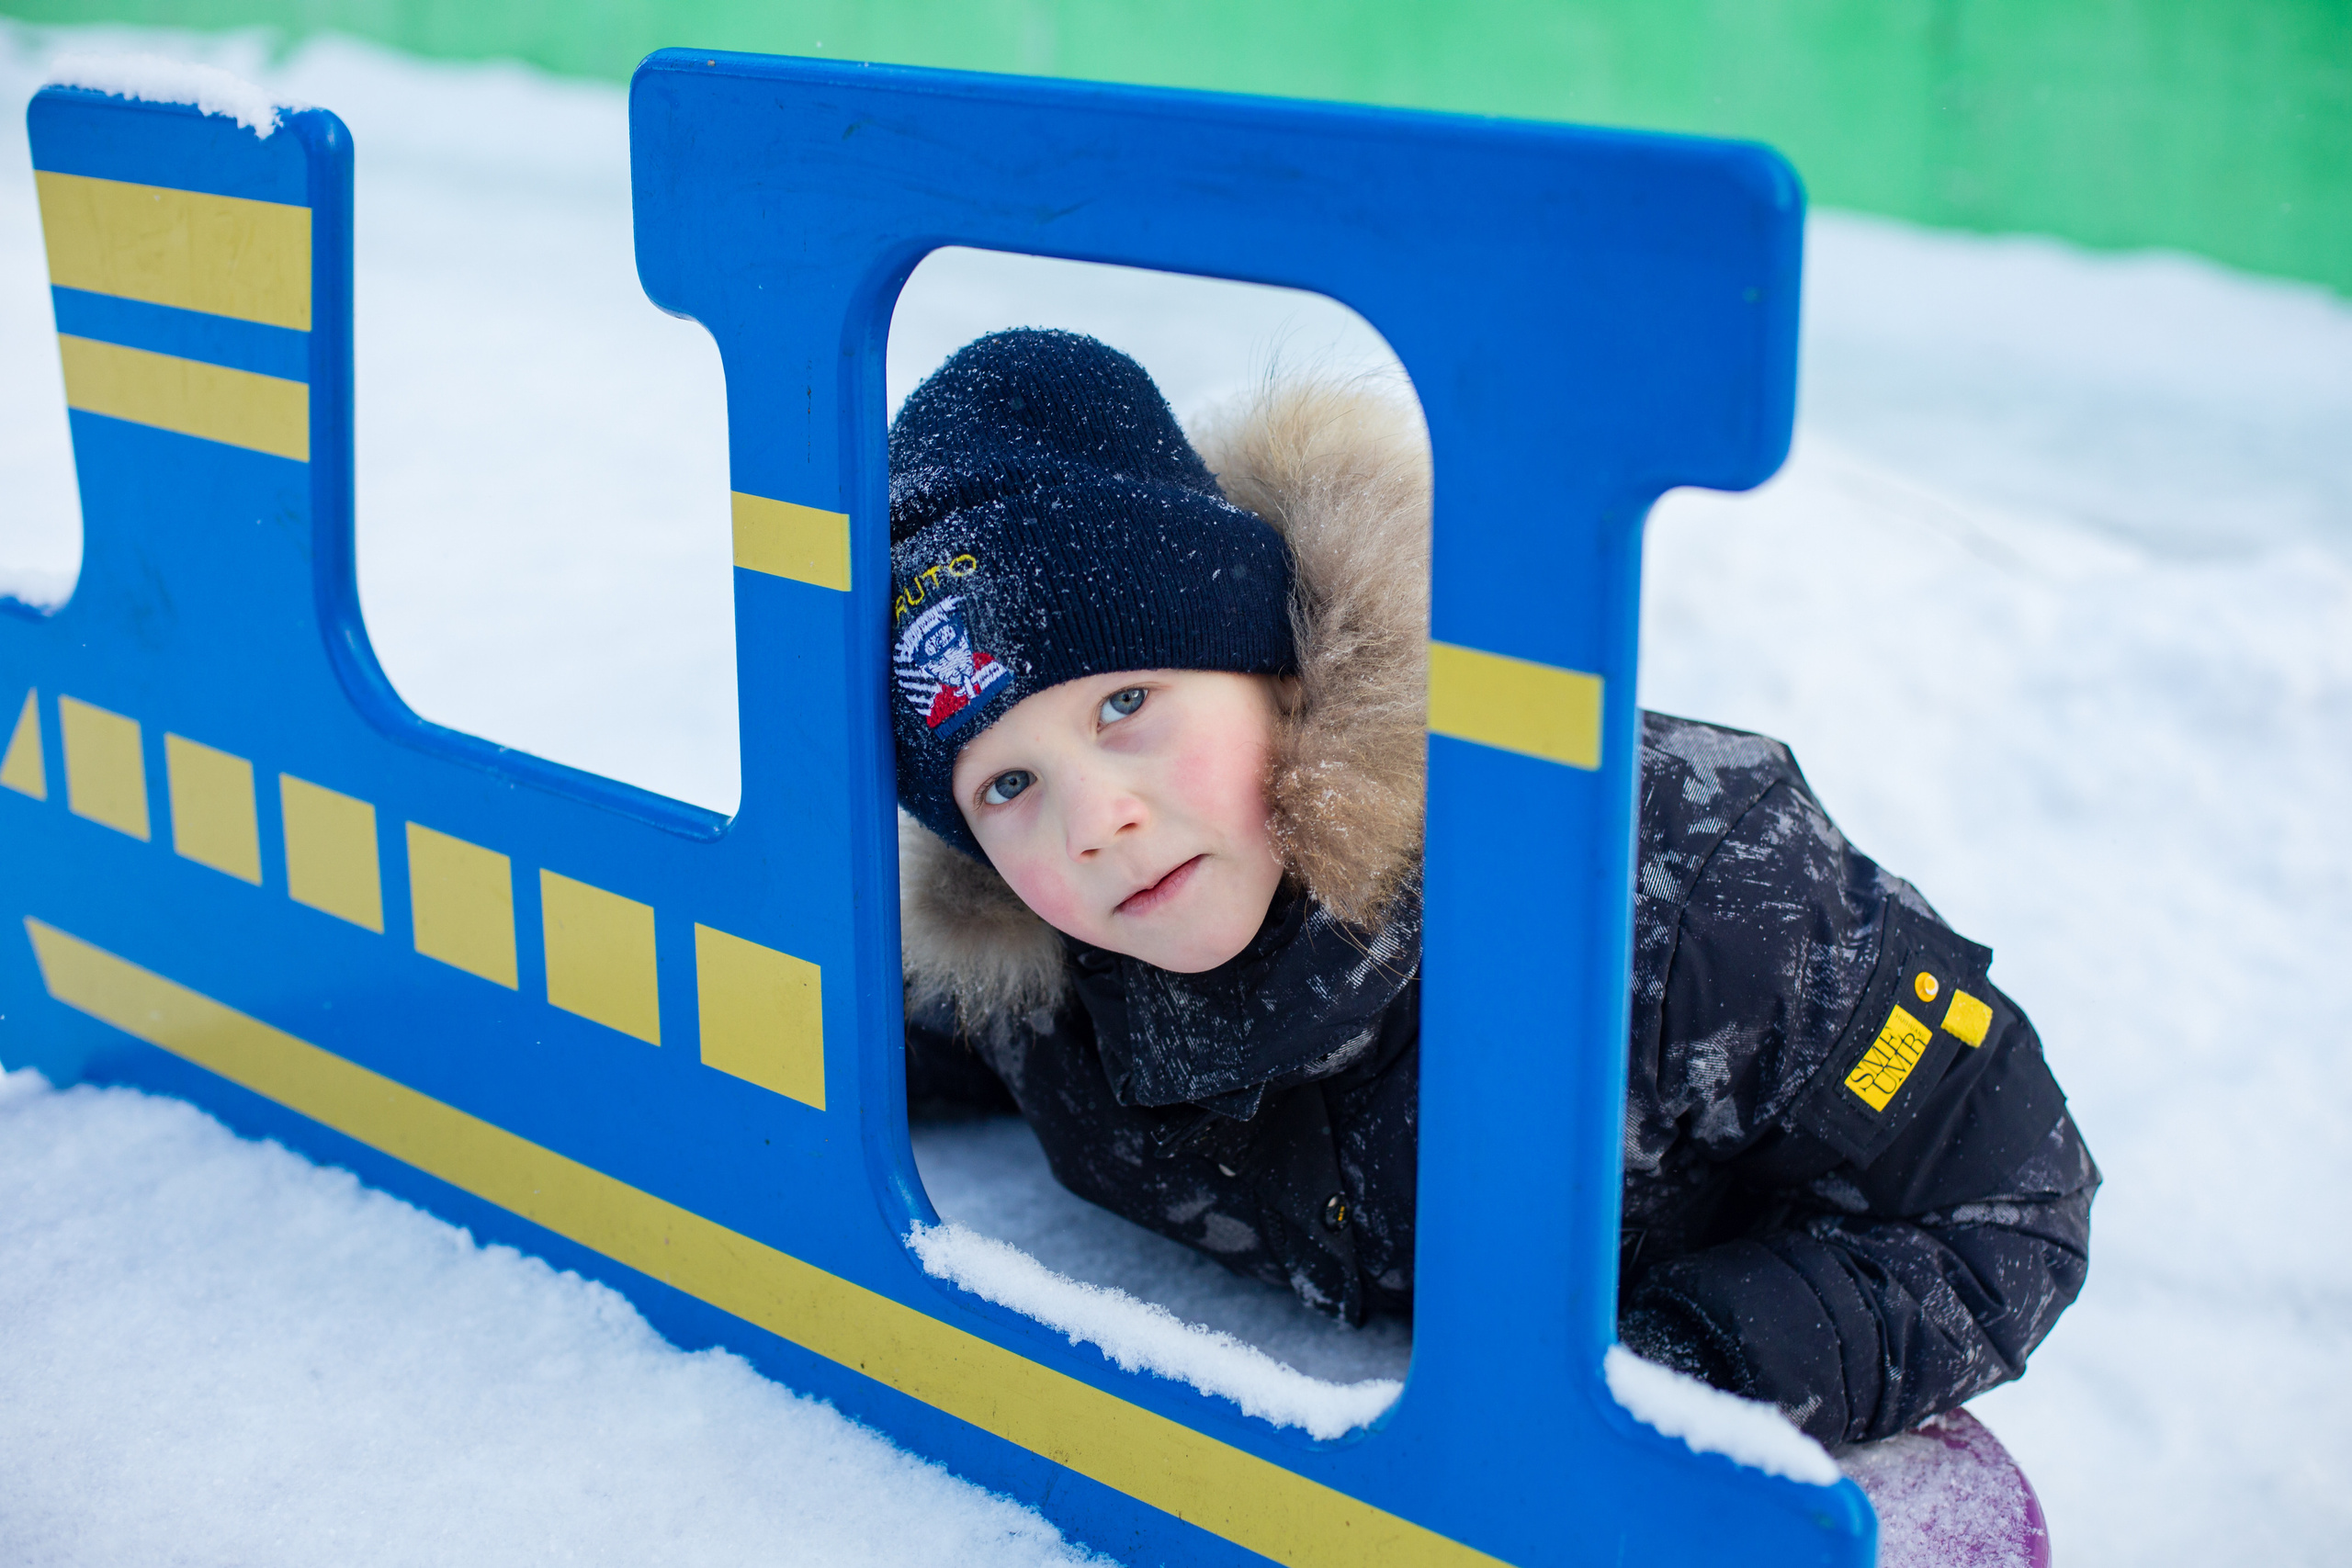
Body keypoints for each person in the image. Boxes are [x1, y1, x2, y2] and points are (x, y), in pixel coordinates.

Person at [893, 329, 2097, 1448]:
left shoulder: (1683, 896)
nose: (1095, 820)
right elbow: (886, 1037)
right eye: (1007, 783)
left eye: (1126, 706)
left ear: (1272, 667)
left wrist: (1658, 1381)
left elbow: (2003, 1203)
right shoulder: (1039, 979)